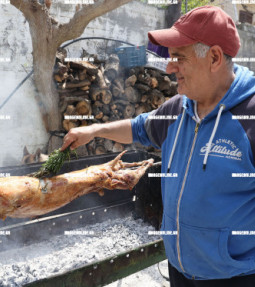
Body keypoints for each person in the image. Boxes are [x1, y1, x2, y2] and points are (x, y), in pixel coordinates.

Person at [61, 6, 255, 286]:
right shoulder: (179, 107)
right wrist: (95, 129)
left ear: (214, 57)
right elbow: (139, 128)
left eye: (179, 58)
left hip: (234, 278)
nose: (169, 67)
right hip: (179, 270)